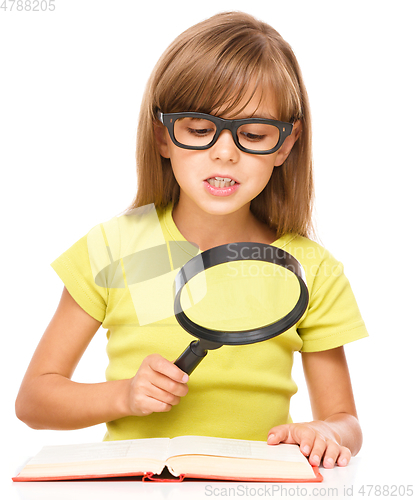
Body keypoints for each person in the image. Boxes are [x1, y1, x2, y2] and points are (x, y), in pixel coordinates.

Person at [15, 11, 368, 470]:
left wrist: (325, 432)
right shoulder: (117, 247)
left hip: (256, 488)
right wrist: (124, 395)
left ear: (285, 144)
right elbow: (34, 401)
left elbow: (346, 421)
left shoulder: (311, 268)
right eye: (200, 130)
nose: (225, 152)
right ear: (163, 135)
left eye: (254, 134)